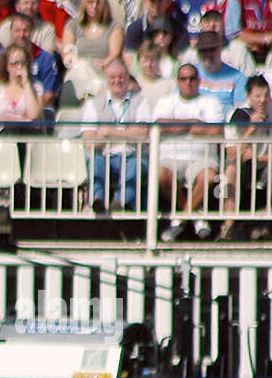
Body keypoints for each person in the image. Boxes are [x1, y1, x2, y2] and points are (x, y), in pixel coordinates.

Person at [154, 63, 224, 240]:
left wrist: (177, 125)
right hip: (170, 157)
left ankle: (180, 220)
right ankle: (195, 217)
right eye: (184, 79)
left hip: (203, 158)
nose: (188, 82)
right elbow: (159, 125)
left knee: (208, 176)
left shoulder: (211, 102)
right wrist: (192, 124)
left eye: (192, 78)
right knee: (161, 173)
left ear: (199, 80)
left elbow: (215, 130)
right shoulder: (165, 101)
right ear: (177, 81)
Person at [80, 56, 150, 212]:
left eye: (121, 76)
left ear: (127, 78)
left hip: (132, 155)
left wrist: (108, 132)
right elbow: (89, 142)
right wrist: (127, 133)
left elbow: (143, 134)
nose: (117, 81)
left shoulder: (141, 102)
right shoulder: (93, 104)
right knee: (95, 161)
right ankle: (97, 201)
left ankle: (120, 203)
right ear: (106, 79)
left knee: (136, 165)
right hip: (104, 155)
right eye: (113, 77)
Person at [217, 73, 271, 239]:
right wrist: (251, 129)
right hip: (241, 165)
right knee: (231, 170)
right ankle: (228, 226)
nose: (262, 100)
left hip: (264, 163)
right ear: (248, 96)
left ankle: (268, 221)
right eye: (257, 96)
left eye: (266, 95)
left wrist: (258, 158)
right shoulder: (237, 115)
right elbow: (233, 153)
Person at [60, 0, 124, 104]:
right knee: (82, 68)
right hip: (78, 70)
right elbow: (67, 56)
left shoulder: (114, 26)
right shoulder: (72, 25)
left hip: (103, 70)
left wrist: (102, 65)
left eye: (98, 3)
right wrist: (88, 63)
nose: (94, 6)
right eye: (90, 2)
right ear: (84, 4)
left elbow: (114, 54)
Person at [0, 42, 43, 127]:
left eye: (23, 63)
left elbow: (33, 115)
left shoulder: (36, 88)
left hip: (28, 134)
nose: (19, 67)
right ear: (7, 66)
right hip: (3, 134)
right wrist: (9, 121)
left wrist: (26, 84)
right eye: (15, 63)